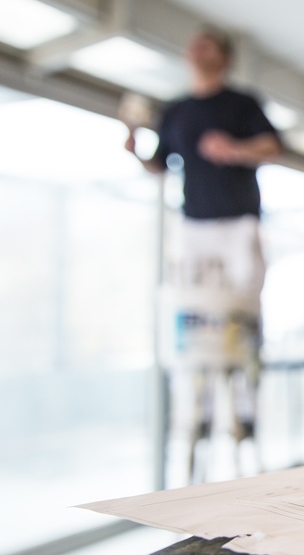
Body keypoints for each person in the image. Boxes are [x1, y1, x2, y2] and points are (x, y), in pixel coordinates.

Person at [125, 26, 282, 483]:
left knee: (242, 311)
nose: (197, 47)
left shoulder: (242, 103)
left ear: (224, 57)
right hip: (194, 226)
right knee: (192, 313)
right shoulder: (175, 110)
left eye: (208, 43)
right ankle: (197, 408)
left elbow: (273, 146)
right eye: (194, 42)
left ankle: (245, 406)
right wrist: (135, 149)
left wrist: (234, 149)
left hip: (237, 223)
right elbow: (160, 164)